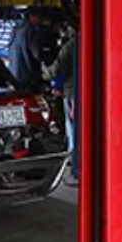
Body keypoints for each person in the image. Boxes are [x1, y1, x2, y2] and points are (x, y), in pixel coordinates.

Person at [45, 27, 78, 184]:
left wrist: (44, 74)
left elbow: (57, 69)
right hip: (91, 92)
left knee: (72, 127)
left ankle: (74, 159)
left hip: (73, 92)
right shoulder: (96, 42)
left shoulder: (70, 46)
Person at [7, 8, 45, 91]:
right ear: (31, 16)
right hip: (25, 76)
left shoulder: (15, 29)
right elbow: (37, 54)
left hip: (13, 74)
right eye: (38, 17)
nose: (39, 21)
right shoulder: (30, 30)